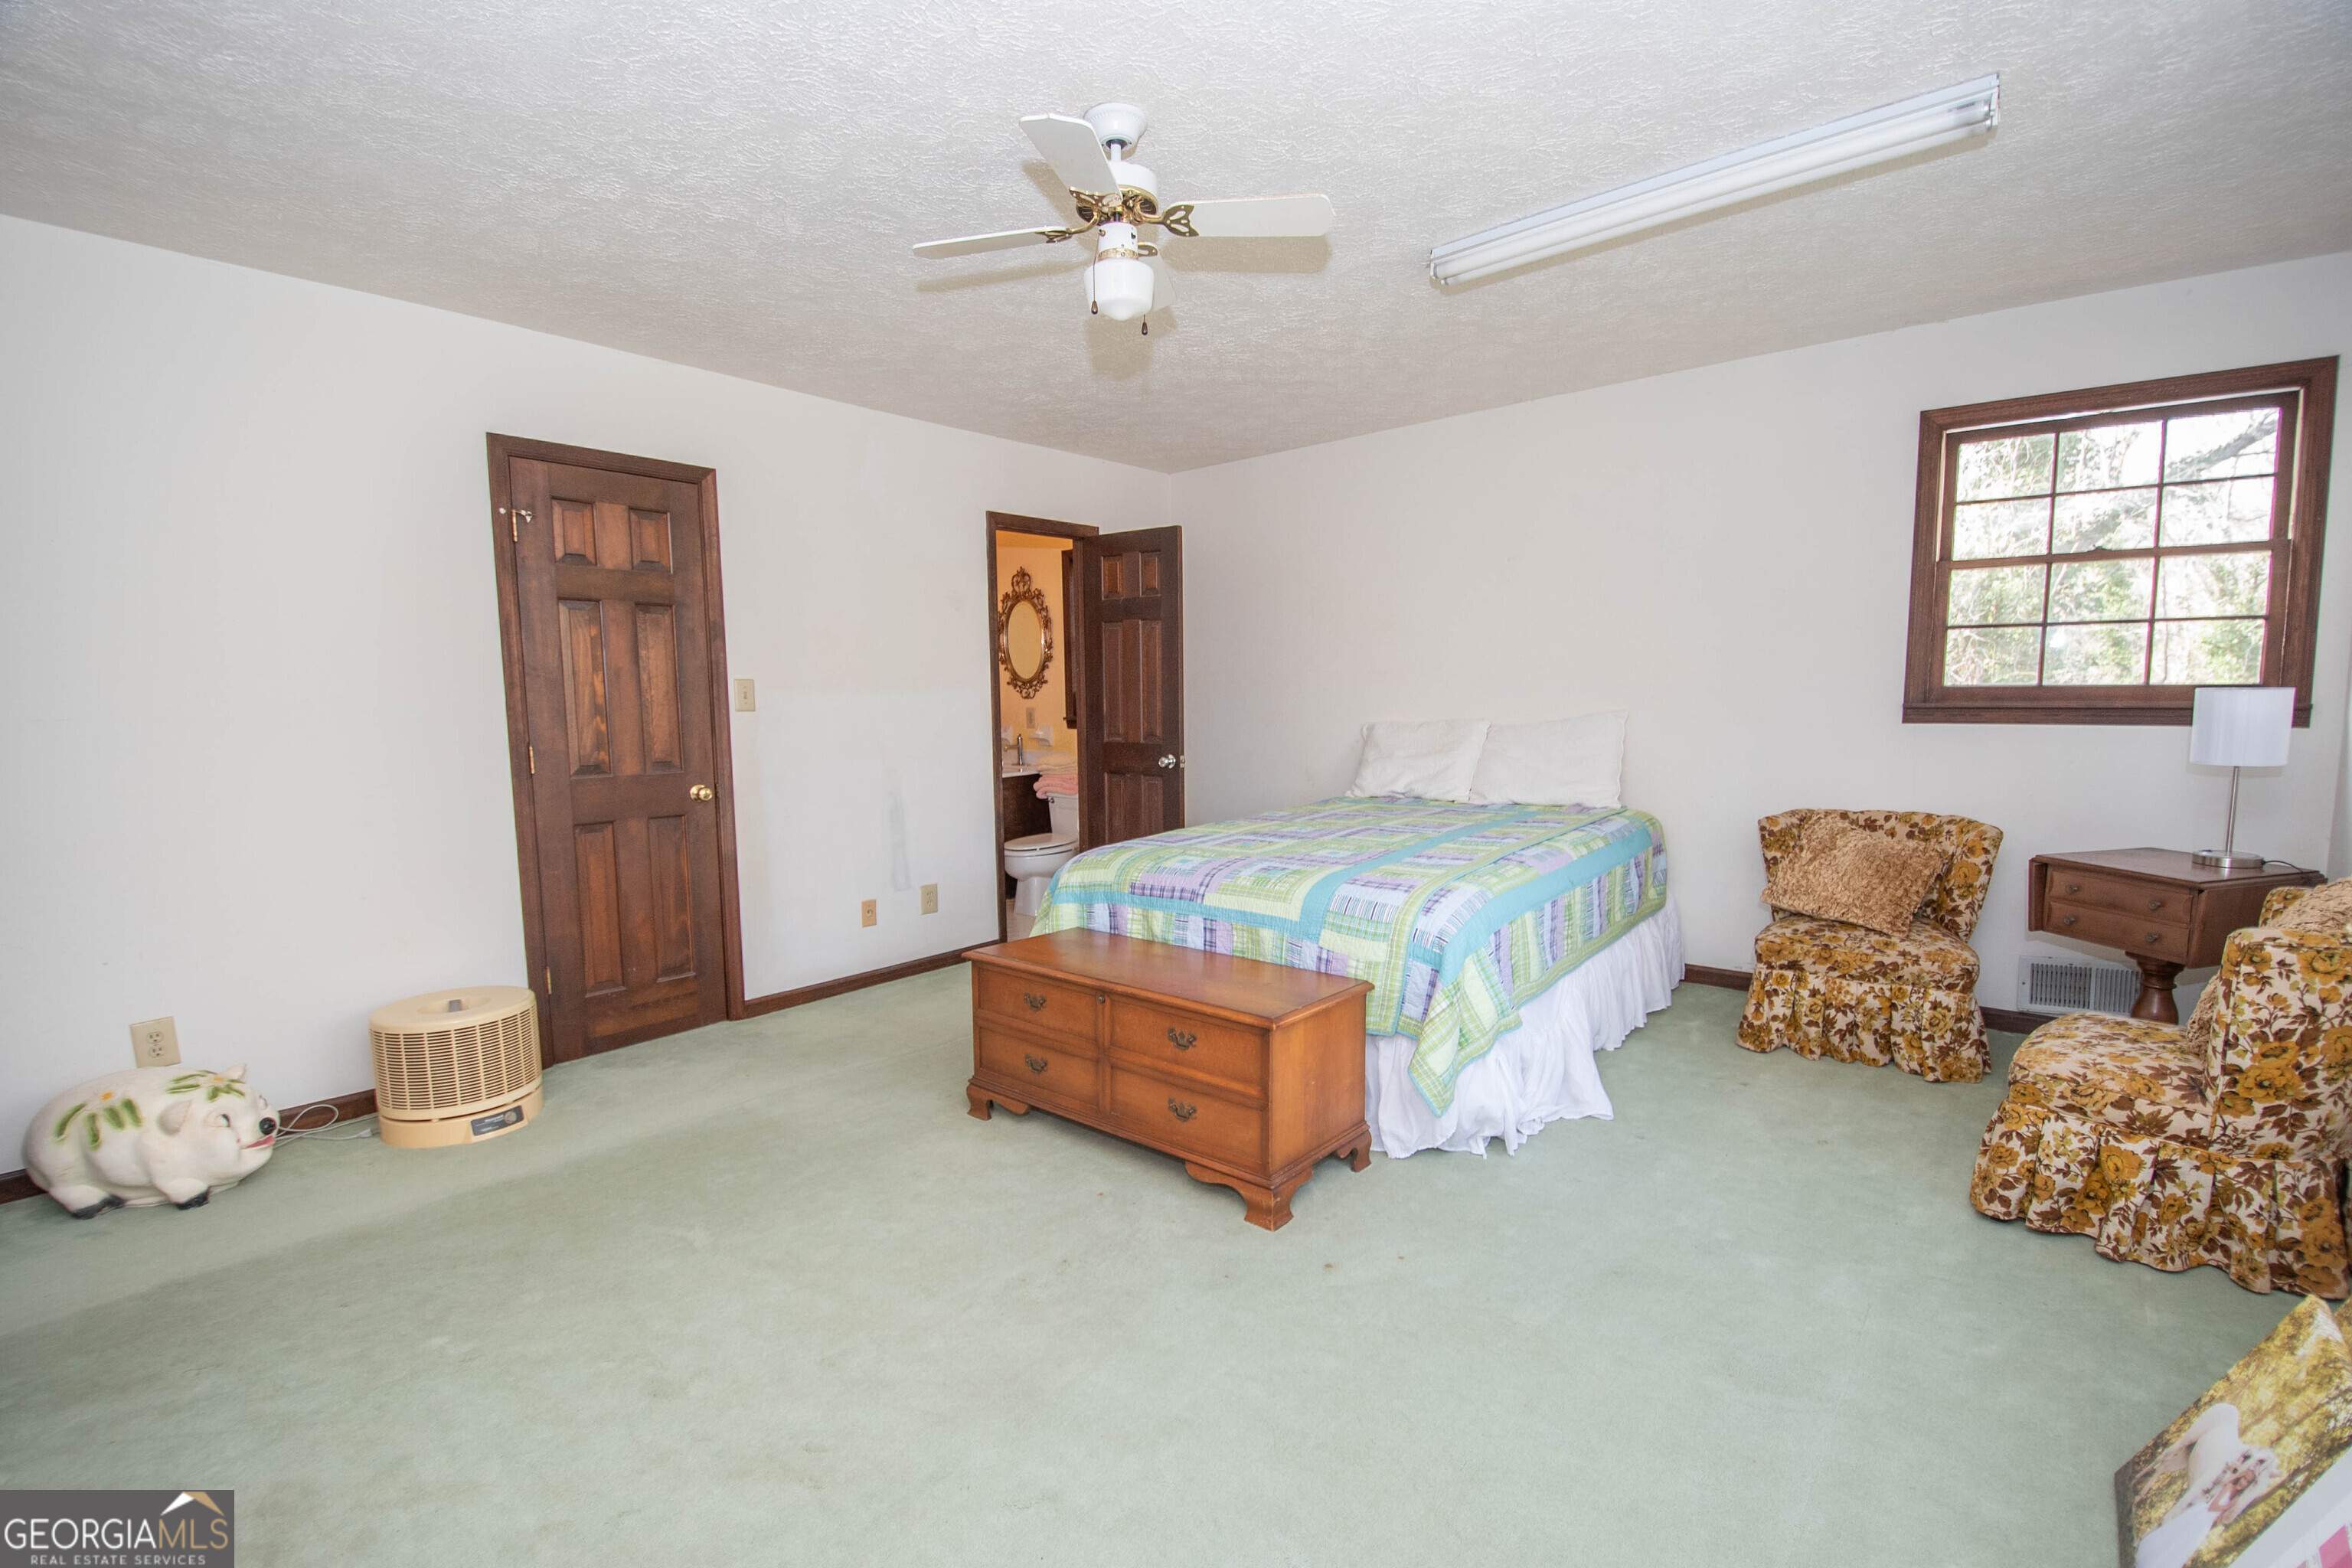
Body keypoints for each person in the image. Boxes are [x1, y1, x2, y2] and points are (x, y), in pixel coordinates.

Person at [2135, 1403, 2284, 1568]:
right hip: (2202, 1515)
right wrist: (2228, 1505)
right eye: (2244, 1480)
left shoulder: (2235, 1493)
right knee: (2176, 1533)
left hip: (2203, 1524)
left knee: (2182, 1543)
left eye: (2246, 1482)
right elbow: (2214, 1505)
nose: (2243, 1483)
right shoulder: (2228, 1488)